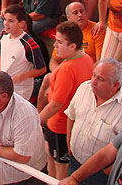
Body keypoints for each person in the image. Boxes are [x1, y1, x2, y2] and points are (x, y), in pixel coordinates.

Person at [64, 58, 122, 185]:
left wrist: (111, 168)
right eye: (93, 75)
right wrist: (69, 140)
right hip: (74, 162)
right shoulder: (84, 88)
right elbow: (71, 115)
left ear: (115, 85)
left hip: (100, 174)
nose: (93, 81)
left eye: (100, 79)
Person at [38, 22, 94, 179]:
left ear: (72, 46)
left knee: (60, 167)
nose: (55, 45)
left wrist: (36, 120)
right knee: (51, 157)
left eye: (60, 42)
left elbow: (56, 104)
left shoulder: (67, 69)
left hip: (59, 126)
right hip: (71, 123)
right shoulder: (86, 58)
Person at [0, 5, 46, 100]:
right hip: (4, 86)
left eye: (11, 21)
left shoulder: (29, 44)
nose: (6, 24)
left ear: (22, 24)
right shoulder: (3, 35)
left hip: (20, 90)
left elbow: (42, 69)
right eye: (5, 20)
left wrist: (23, 76)